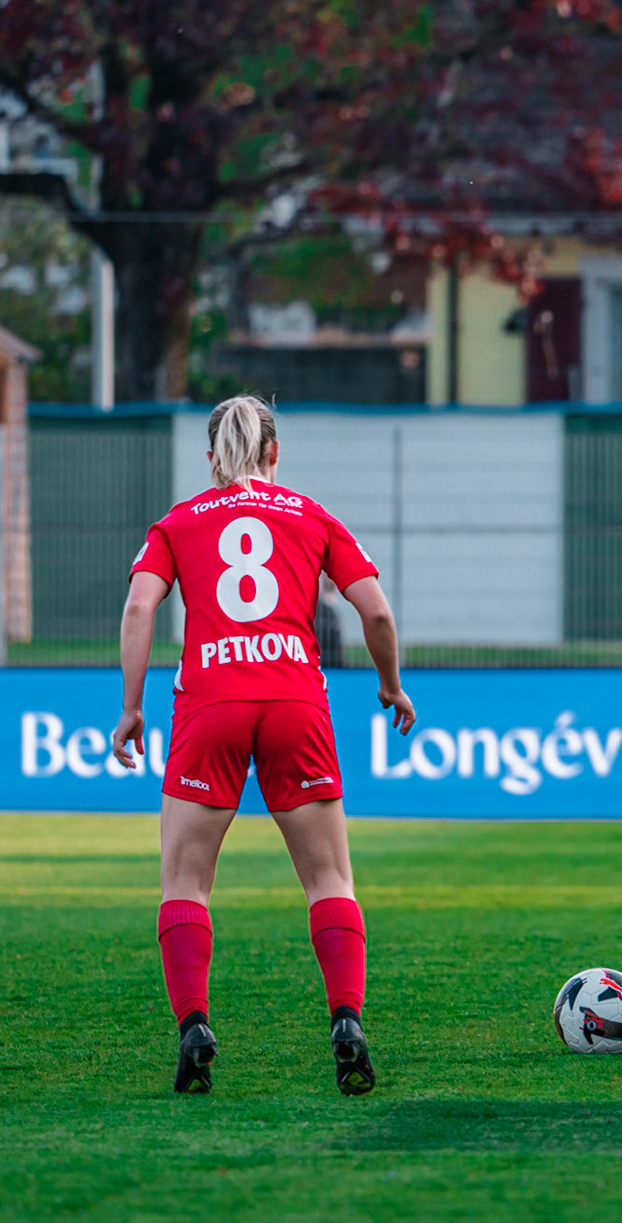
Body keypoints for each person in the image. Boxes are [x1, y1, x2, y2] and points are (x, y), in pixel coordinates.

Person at [109, 396, 416, 1095]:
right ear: (275, 454)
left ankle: (194, 1025)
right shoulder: (311, 516)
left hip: (210, 701)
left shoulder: (178, 522)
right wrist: (391, 685)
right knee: (329, 881)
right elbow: (376, 610)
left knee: (185, 884)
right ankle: (346, 1018)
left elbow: (138, 607)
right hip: (294, 701)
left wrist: (130, 707)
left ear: (211, 458)